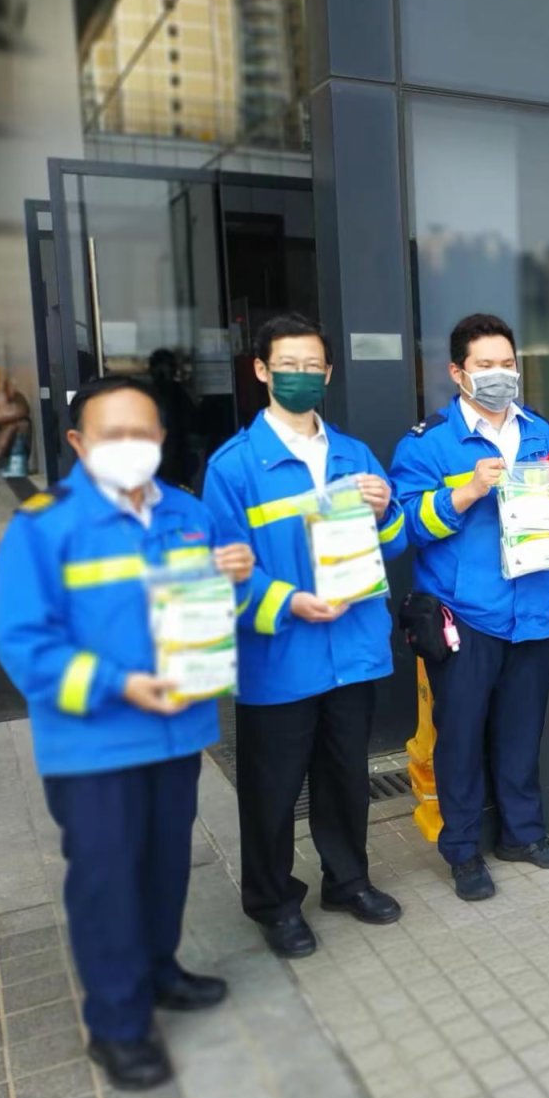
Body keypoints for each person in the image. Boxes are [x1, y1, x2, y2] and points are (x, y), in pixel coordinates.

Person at [0, 376, 254, 1091]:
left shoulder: (190, 514)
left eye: (144, 432)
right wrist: (118, 684)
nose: (131, 445)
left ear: (162, 439)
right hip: (94, 744)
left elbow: (209, 613)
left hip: (176, 734)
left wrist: (234, 578)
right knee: (107, 880)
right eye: (113, 434)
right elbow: (24, 644)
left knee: (166, 866)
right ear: (79, 443)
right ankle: (117, 1024)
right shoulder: (44, 526)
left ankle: (159, 970)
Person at [202, 314, 408, 958]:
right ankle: (273, 903)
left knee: (346, 778)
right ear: (262, 370)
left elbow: (394, 541)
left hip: (353, 650)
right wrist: (288, 601)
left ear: (328, 373)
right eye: (287, 365)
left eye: (312, 366)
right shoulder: (233, 467)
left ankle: (348, 881)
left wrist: (384, 511)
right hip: (281, 655)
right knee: (271, 791)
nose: (301, 376)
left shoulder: (355, 454)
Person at [389, 313, 549, 903]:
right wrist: (468, 490)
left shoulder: (542, 434)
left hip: (531, 609)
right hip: (464, 616)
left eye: (507, 364)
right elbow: (401, 526)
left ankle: (523, 834)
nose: (500, 375)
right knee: (461, 739)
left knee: (521, 732)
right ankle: (463, 851)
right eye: (485, 365)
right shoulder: (428, 443)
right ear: (458, 372)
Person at [148, 348, 198, 488]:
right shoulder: (177, 393)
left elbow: (194, 422)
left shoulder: (150, 394)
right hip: (172, 456)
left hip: (176, 455)